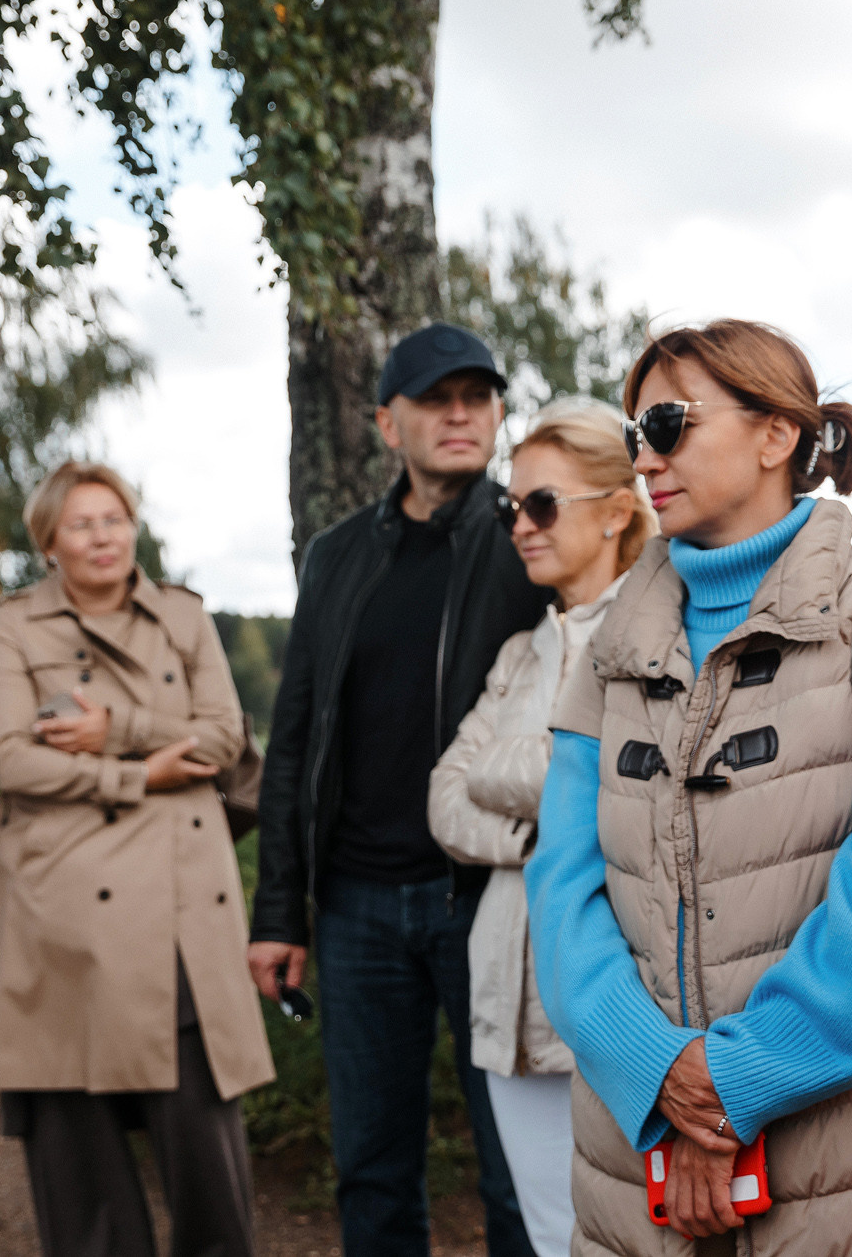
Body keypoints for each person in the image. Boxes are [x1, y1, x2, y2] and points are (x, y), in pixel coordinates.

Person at [525, 320, 852, 1256]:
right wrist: (659, 1074)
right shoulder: (610, 647)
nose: (644, 458)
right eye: (634, 436)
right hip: (634, 1166)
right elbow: (562, 885)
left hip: (838, 1162)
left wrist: (739, 1079)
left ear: (776, 434)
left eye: (666, 423)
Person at [249, 322, 548, 1255]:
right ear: (388, 422)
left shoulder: (526, 540)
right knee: (372, 1169)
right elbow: (294, 737)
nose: (460, 414)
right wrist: (278, 910)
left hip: (491, 896)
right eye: (434, 398)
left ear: (499, 414)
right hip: (356, 905)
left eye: (479, 396)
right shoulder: (337, 557)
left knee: (515, 1168)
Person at [0, 460, 271, 1257]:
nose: (102, 536)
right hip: (59, 905)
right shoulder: (14, 627)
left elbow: (222, 736)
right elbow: (13, 762)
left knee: (205, 1160)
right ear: (48, 542)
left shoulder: (181, 615)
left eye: (114, 518)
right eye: (81, 523)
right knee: (83, 1173)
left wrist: (121, 728)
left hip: (178, 900)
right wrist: (141, 772)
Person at [427, 398, 656, 1257]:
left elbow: (636, 773)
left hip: (618, 997)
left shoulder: (658, 629)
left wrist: (518, 770)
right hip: (506, 996)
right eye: (510, 507)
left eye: (543, 504)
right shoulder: (522, 650)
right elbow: (445, 797)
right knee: (549, 1233)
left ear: (617, 510)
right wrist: (549, 830)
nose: (519, 525)